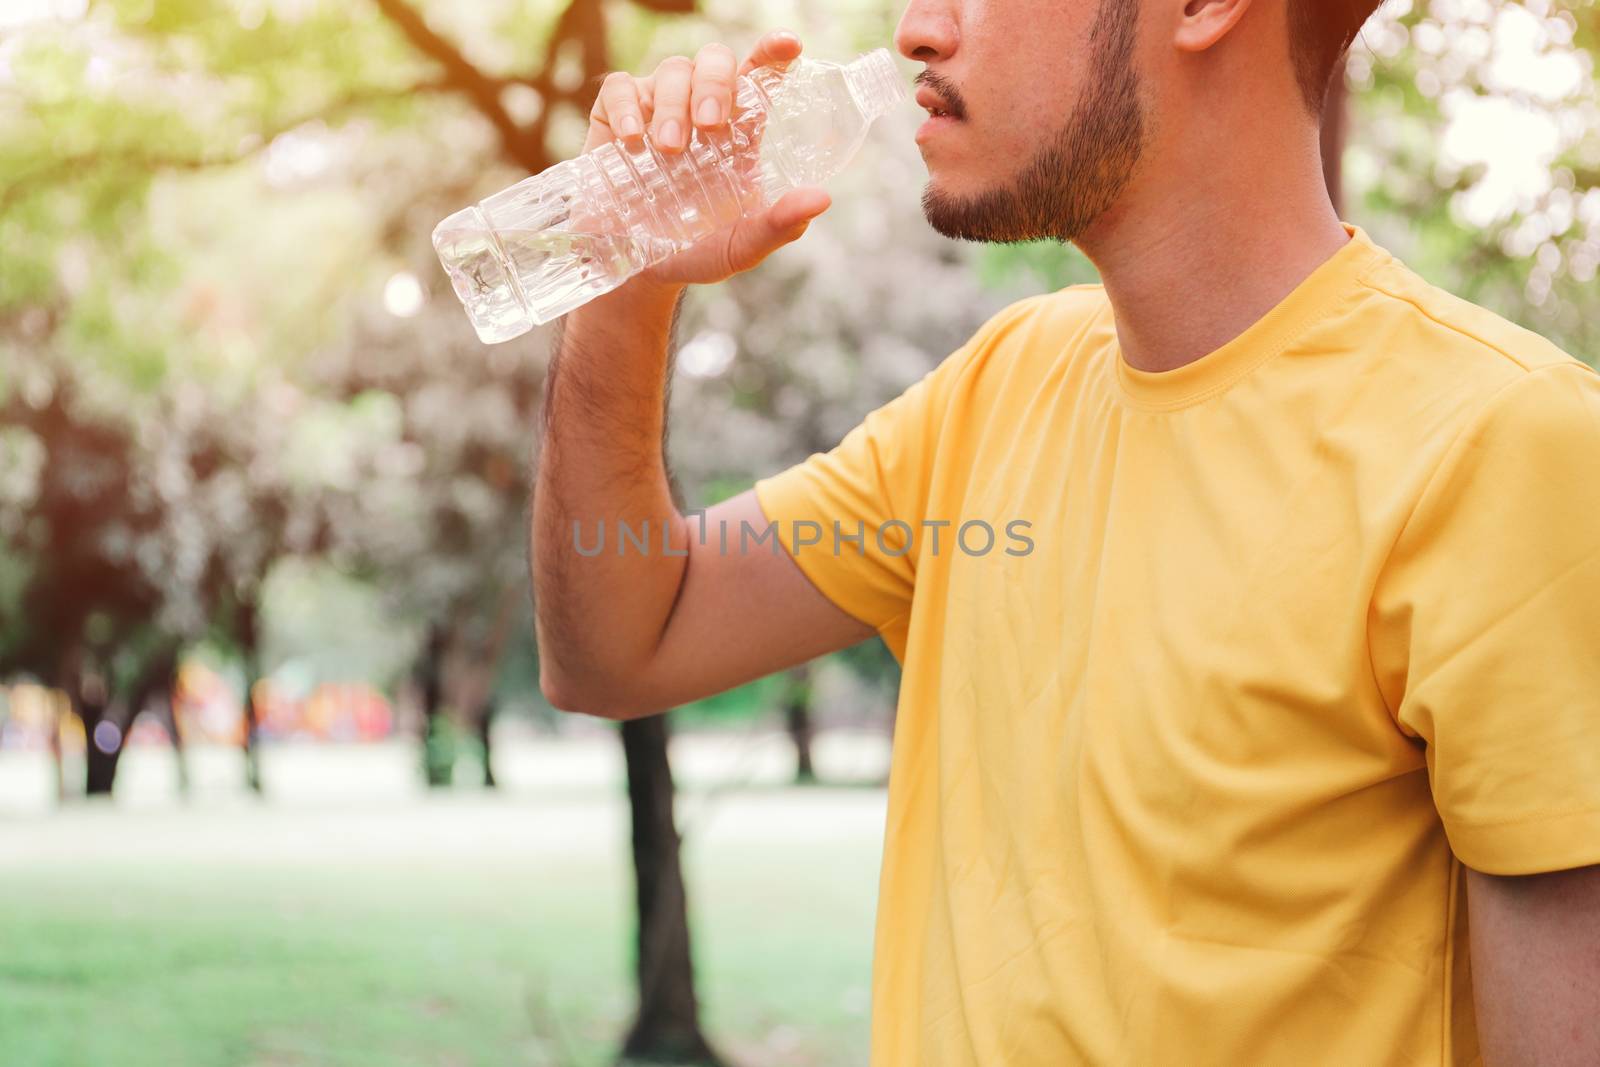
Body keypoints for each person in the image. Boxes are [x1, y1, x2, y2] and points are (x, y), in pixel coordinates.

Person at [530, 1, 1600, 1063]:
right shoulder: (995, 389)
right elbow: (620, 643)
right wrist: (623, 283)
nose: (915, 30)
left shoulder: (1505, 445)